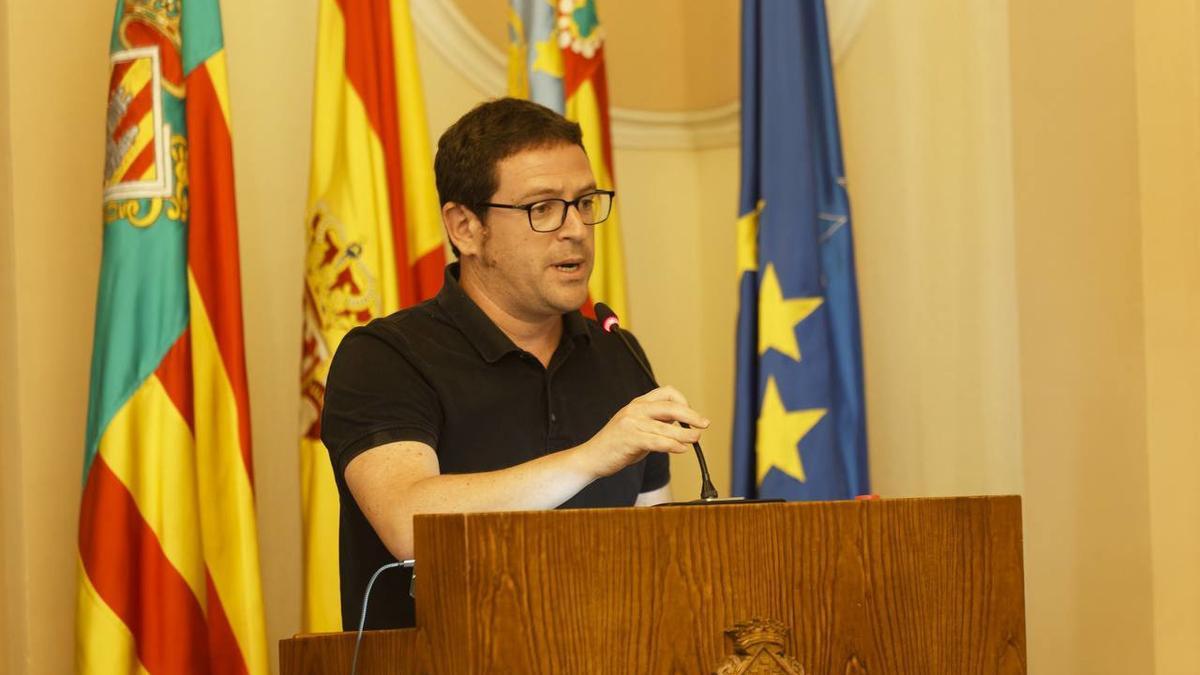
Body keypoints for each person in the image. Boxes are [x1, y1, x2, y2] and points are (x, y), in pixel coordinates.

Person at [321, 97, 709, 630]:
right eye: (542, 208)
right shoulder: (386, 356)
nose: (575, 228)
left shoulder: (618, 353)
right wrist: (590, 458)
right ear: (465, 228)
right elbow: (408, 522)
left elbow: (656, 558)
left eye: (585, 202)